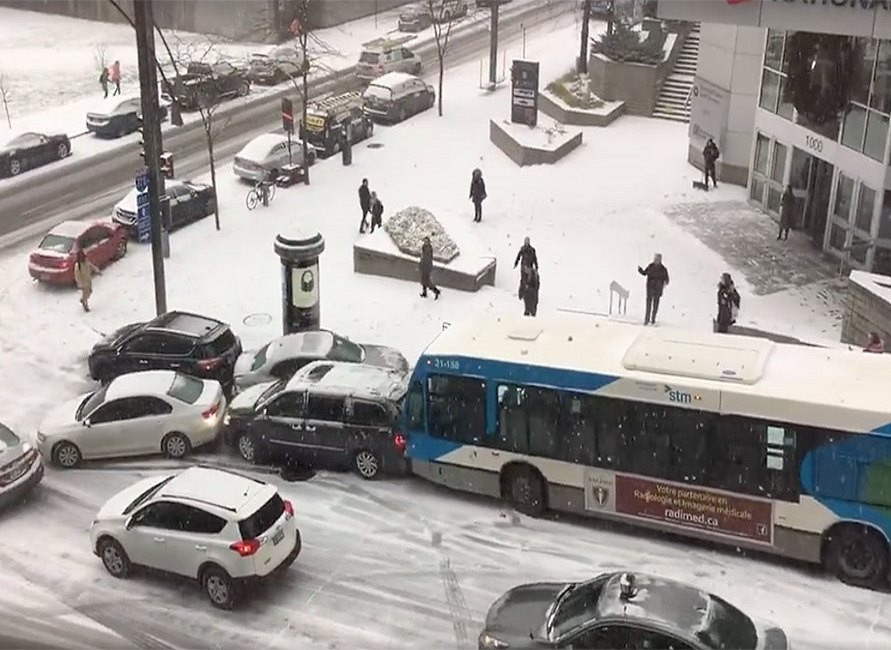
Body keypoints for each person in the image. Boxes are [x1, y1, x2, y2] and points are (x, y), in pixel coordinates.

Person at [637, 253, 669, 325]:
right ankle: (647, 319)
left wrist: (664, 282)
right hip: (650, 288)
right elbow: (645, 273)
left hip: (657, 289)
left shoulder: (663, 269)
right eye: (655, 259)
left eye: (657, 259)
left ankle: (653, 319)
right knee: (649, 304)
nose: (656, 260)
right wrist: (640, 270)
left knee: (655, 304)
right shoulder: (651, 266)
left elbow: (667, 279)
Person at [419, 236, 441, 300]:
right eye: (425, 241)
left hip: (427, 267)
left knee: (427, 281)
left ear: (428, 242)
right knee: (424, 280)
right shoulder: (424, 247)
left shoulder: (428, 248)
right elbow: (422, 257)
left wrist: (424, 265)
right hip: (424, 266)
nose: (425, 242)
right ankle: (424, 292)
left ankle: (436, 291)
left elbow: (427, 258)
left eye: (426, 241)